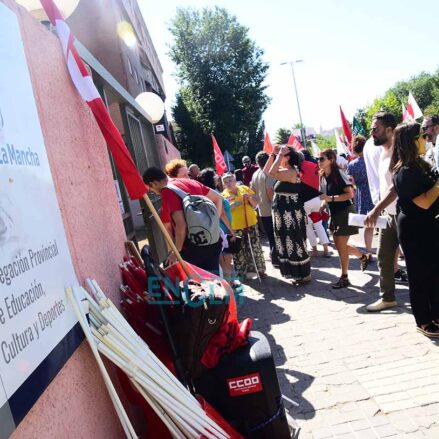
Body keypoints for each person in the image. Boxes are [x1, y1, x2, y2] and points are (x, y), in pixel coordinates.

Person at [389, 122, 439, 337]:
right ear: (411, 141)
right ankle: (423, 320)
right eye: (421, 135)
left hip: (428, 225)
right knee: (420, 275)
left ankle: (436, 313)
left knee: (434, 273)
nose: (425, 138)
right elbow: (424, 202)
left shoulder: (420, 164)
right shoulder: (405, 171)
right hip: (414, 228)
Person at [142, 166, 223, 274]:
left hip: (193, 247)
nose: (153, 192)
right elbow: (218, 198)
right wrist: (212, 224)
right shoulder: (188, 182)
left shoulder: (167, 191)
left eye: (150, 189)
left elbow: (181, 225)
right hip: (212, 239)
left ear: (154, 183)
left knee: (198, 286)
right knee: (214, 280)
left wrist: (176, 252)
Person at [365, 112, 407, 311]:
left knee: (416, 259)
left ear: (390, 130)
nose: (372, 133)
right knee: (383, 256)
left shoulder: (400, 152)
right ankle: (388, 298)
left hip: (405, 214)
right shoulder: (382, 152)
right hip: (388, 216)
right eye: (371, 129)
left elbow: (395, 187)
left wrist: (375, 210)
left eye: (376, 129)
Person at [318, 149, 369, 288]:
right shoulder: (322, 176)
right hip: (334, 213)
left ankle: (344, 277)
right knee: (340, 245)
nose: (319, 162)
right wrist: (323, 205)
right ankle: (363, 257)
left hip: (345, 211)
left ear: (331, 160)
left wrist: (331, 199)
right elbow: (325, 196)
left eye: (322, 159)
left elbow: (350, 194)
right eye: (318, 159)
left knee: (340, 246)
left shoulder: (338, 173)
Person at [264, 145, 311, 284]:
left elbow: (271, 173)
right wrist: (273, 154)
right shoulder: (284, 170)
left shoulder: (291, 171)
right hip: (282, 212)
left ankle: (303, 274)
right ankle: (294, 273)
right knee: (285, 240)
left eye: (283, 154)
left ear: (288, 157)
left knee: (294, 240)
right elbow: (267, 171)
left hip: (290, 212)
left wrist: (278, 156)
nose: (279, 155)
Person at [222, 173, 266, 280]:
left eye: (230, 180)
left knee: (256, 247)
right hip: (235, 227)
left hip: (251, 222)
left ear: (235, 180)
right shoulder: (223, 196)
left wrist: (250, 198)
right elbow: (222, 212)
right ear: (223, 184)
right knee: (239, 250)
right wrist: (232, 206)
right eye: (226, 181)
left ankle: (260, 270)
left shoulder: (244, 188)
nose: (229, 183)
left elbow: (255, 203)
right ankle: (242, 274)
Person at [197, 168, 236, 283]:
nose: (217, 176)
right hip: (223, 230)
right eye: (214, 175)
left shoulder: (206, 192)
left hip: (215, 231)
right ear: (211, 178)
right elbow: (222, 214)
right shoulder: (214, 194)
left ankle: (229, 285)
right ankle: (229, 288)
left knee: (222, 262)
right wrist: (231, 230)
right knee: (226, 262)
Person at [347, 135, 374, 260]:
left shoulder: (351, 165)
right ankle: (398, 251)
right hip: (373, 191)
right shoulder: (372, 160)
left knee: (368, 224)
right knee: (379, 223)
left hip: (360, 194)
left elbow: (350, 184)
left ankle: (368, 252)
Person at [250, 151, 278, 266]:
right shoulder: (269, 173)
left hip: (262, 210)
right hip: (272, 208)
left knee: (271, 237)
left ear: (257, 162)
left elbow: (252, 191)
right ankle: (277, 259)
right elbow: (270, 191)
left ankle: (274, 259)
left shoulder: (255, 174)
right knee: (277, 236)